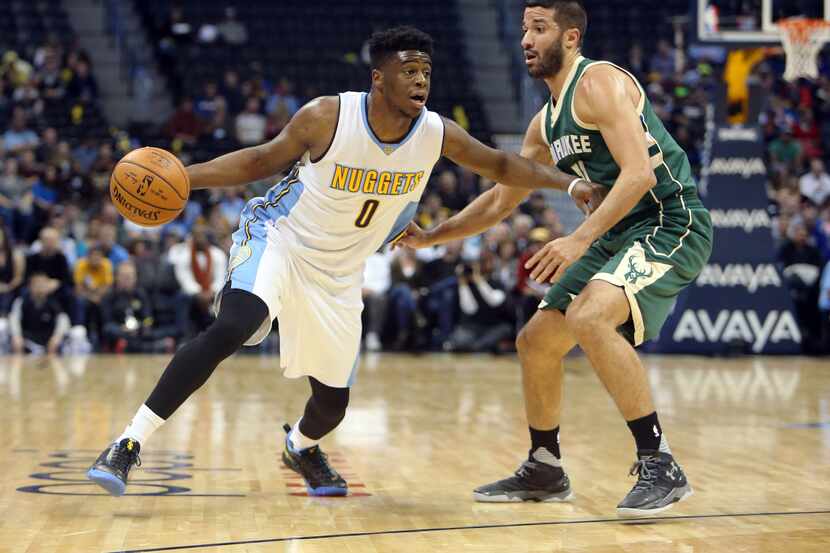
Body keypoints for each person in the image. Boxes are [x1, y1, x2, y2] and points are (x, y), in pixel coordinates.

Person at [86, 26, 601, 498]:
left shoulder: (436, 133)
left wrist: (570, 182)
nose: (421, 80)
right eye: (409, 70)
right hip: (281, 239)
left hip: (339, 271)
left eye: (426, 71)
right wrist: (182, 177)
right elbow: (259, 161)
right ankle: (129, 442)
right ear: (379, 79)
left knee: (333, 403)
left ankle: (301, 448)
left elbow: (503, 164)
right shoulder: (328, 116)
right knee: (234, 326)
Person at [399, 1, 712, 516]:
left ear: (569, 38)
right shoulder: (544, 123)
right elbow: (503, 198)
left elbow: (639, 175)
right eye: (524, 29)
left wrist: (580, 238)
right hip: (619, 232)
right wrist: (434, 236)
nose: (526, 39)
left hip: (670, 221)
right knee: (537, 342)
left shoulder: (600, 83)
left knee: (590, 318)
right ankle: (545, 465)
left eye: (539, 29)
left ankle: (660, 462)